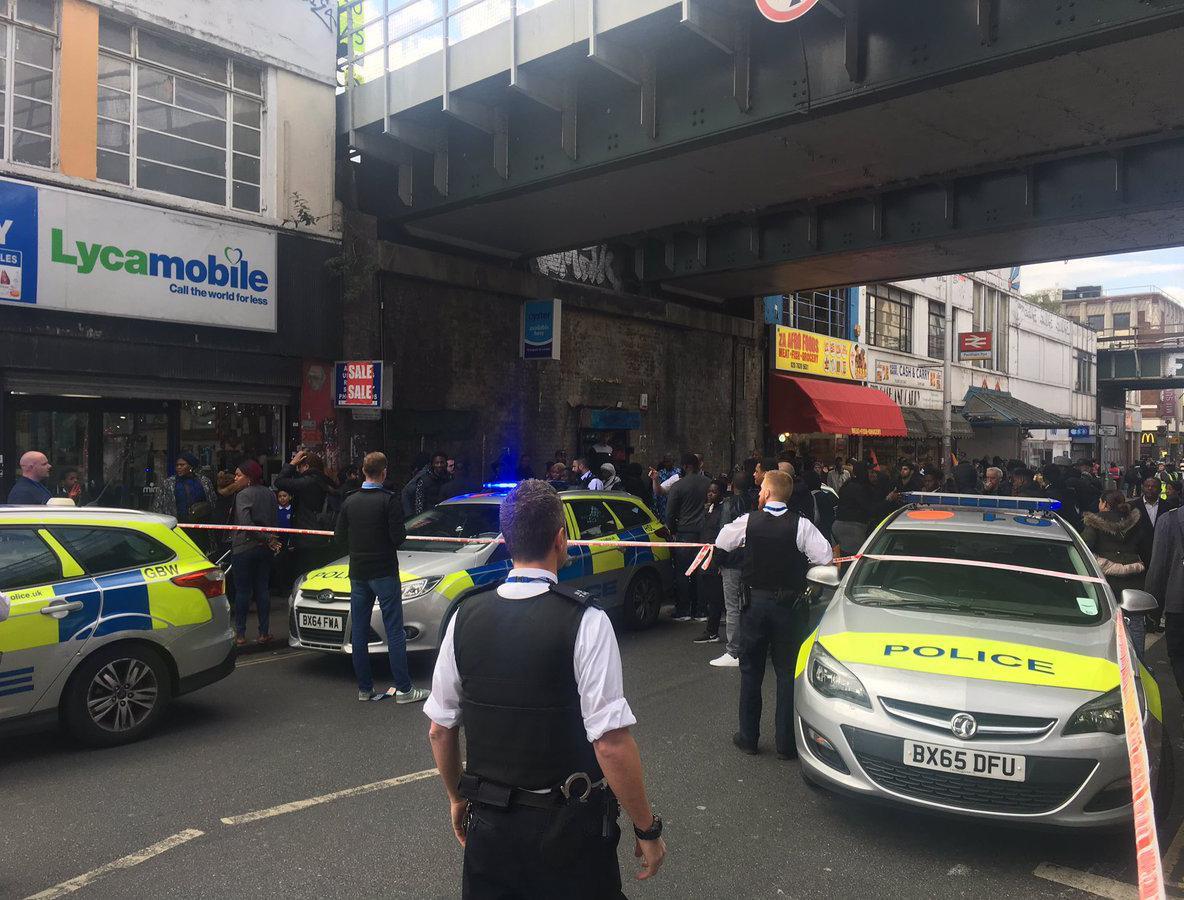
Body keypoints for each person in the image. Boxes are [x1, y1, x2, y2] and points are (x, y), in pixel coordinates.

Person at [424, 480, 666, 896]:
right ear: (560, 539)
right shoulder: (587, 621)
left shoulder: (464, 616)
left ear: (505, 540)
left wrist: (456, 796)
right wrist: (647, 827)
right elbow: (609, 742)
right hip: (568, 831)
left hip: (491, 827)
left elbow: (440, 729)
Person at [715, 470, 834, 758]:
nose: (758, 495)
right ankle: (785, 743)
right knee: (785, 674)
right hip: (789, 608)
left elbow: (721, 542)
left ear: (767, 493)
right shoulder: (802, 526)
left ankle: (748, 737)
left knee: (751, 672)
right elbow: (826, 559)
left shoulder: (748, 522)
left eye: (761, 491)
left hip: (754, 605)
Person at [334, 452, 429, 703]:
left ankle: (365, 689)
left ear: (364, 471)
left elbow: (339, 537)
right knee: (394, 630)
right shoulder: (389, 500)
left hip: (358, 572)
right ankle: (404, 690)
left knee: (360, 632)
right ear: (384, 472)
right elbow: (397, 538)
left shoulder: (349, 501)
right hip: (384, 571)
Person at [1082, 490, 1147, 659]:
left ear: (1104, 503)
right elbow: (1146, 548)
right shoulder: (1136, 521)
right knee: (1135, 622)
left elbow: (1085, 548)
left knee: (1106, 621)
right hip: (1134, 579)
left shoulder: (1095, 522)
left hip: (1105, 579)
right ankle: (1137, 662)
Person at [230, 460, 277, 647]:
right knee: (262, 590)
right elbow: (274, 520)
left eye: (238, 475)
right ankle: (263, 633)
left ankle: (240, 635)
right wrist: (269, 539)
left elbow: (245, 524)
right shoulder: (270, 493)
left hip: (244, 547)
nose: (235, 478)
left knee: (242, 592)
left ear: (249, 478)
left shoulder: (243, 495)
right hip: (265, 549)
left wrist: (262, 537)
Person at [710, 472, 751, 668]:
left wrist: (719, 561)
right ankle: (747, 645)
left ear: (733, 485)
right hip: (750, 560)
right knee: (747, 604)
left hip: (732, 561)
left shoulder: (728, 505)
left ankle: (733, 651)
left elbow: (723, 536)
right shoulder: (755, 503)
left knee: (732, 606)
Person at [276, 449, 340, 576]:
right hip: (322, 535)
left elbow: (279, 482)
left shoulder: (308, 481)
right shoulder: (325, 481)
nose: (298, 470)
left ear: (306, 466)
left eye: (299, 467)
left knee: (305, 576)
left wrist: (292, 463)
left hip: (307, 537)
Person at [664, 453, 711, 621]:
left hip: (684, 532)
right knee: (702, 570)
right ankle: (701, 610)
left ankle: (683, 610)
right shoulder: (708, 483)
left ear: (685, 466)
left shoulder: (678, 486)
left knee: (683, 571)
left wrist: (672, 530)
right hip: (705, 532)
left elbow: (669, 513)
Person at [1145, 502, 1184, 696]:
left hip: (1178, 603)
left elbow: (1157, 570)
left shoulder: (1169, 521)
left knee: (1178, 655)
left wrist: (1152, 609)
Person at [693, 479, 729, 645]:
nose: (710, 494)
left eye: (713, 492)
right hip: (705, 554)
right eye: (709, 491)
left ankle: (712, 630)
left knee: (714, 595)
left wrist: (720, 560)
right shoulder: (708, 509)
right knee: (708, 592)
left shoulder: (723, 511)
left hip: (715, 557)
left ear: (721, 493)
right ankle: (712, 625)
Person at [832, 462, 882, 557]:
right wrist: (887, 500)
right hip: (852, 529)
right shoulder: (861, 488)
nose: (873, 475)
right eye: (870, 472)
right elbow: (870, 509)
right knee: (854, 563)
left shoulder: (849, 484)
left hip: (839, 526)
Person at [152, 452, 214, 522]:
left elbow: (212, 501)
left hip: (200, 523)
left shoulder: (204, 482)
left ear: (191, 466)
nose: (179, 467)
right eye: (177, 465)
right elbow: (158, 504)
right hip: (176, 523)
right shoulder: (169, 483)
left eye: (182, 465)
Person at [401, 452, 451, 518]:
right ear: (433, 464)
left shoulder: (448, 478)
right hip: (428, 517)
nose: (439, 465)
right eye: (437, 463)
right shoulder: (424, 480)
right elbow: (419, 503)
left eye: (442, 462)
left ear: (446, 463)